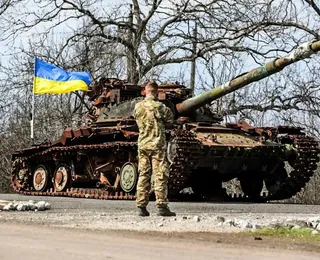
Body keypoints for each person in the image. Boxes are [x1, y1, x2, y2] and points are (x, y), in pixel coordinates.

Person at [133, 80, 176, 217]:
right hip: (157, 145)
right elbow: (170, 120)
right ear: (157, 92)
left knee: (143, 174)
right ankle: (162, 206)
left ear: (146, 91)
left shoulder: (138, 107)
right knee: (160, 174)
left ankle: (141, 207)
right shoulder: (160, 107)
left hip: (143, 144)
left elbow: (135, 118)